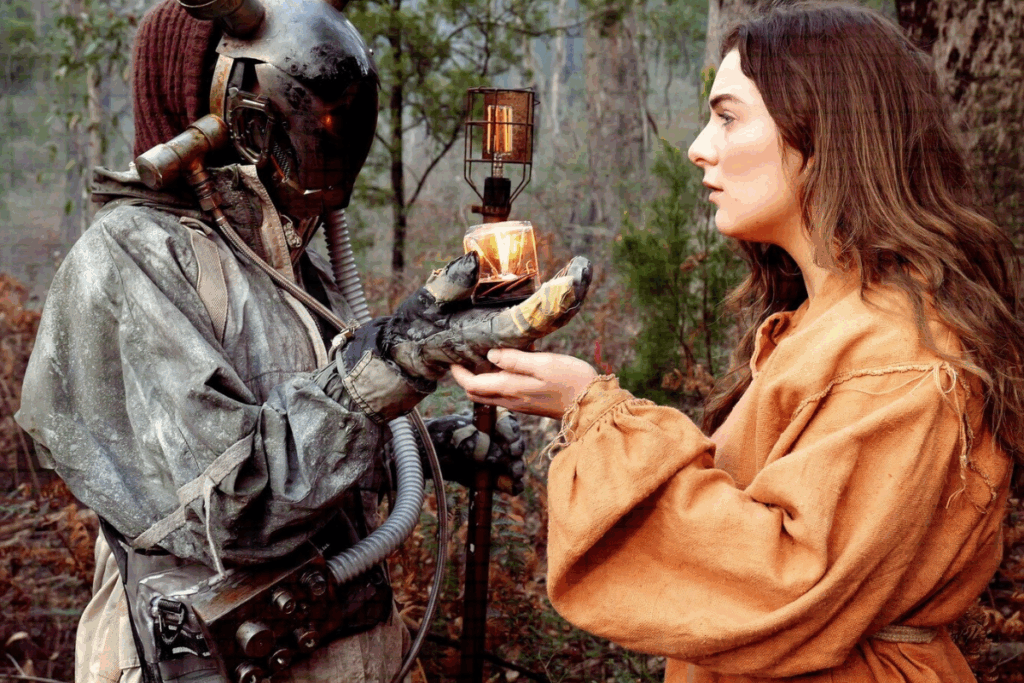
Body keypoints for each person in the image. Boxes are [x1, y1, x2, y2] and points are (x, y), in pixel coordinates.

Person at [14, 1, 591, 682]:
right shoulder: (132, 257)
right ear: (212, 90)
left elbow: (302, 443)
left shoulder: (283, 257)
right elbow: (236, 506)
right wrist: (394, 361)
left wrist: (429, 451)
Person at [452, 3, 1024, 681]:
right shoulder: (830, 322)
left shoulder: (899, 356)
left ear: (825, 129)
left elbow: (783, 582)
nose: (699, 146)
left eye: (727, 116)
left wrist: (595, 411)